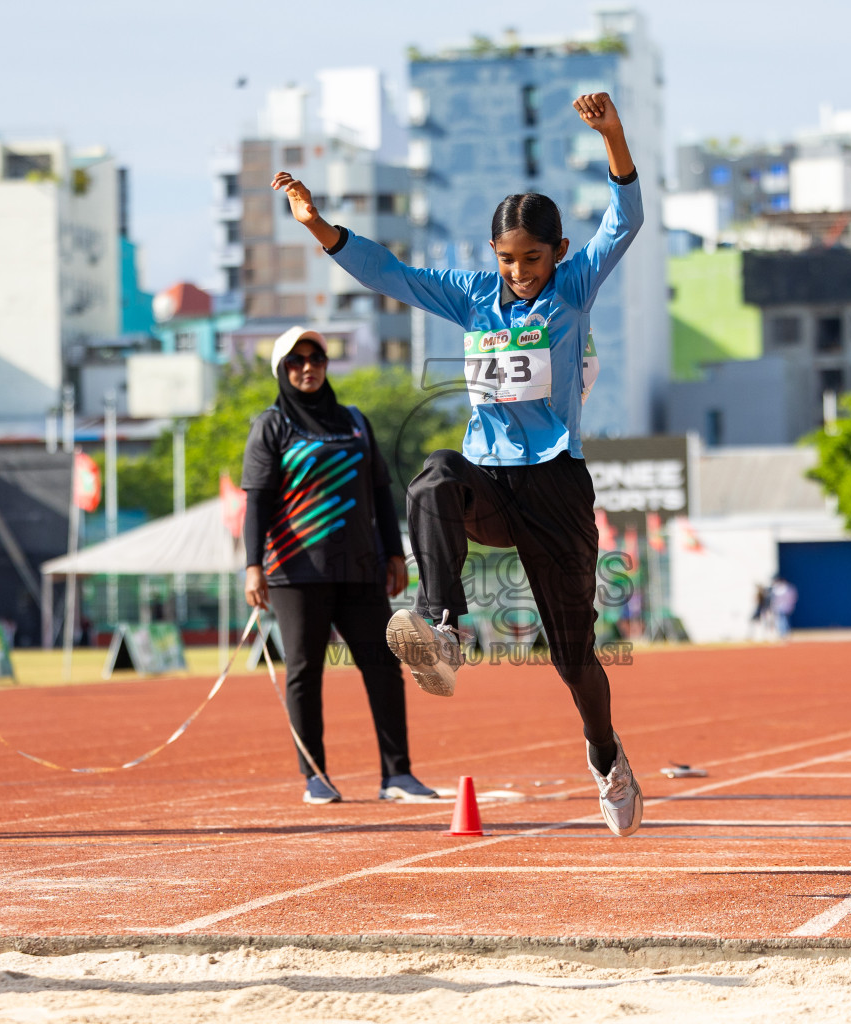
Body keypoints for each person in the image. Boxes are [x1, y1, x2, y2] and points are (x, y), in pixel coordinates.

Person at [271, 92, 645, 835]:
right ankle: (441, 624)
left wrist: (615, 137)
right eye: (508, 260)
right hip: (488, 482)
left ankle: (606, 756)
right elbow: (391, 273)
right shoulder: (475, 298)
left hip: (555, 486)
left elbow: (624, 221)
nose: (521, 273)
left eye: (533, 259)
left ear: (558, 253)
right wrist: (319, 226)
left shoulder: (574, 287)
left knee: (574, 659)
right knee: (436, 471)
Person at [241, 326, 436, 805]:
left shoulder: (354, 421)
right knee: (305, 672)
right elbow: (257, 503)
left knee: (383, 666)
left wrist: (395, 552)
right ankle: (315, 777)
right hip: (294, 570)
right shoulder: (271, 425)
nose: (308, 368)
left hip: (360, 568)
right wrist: (252, 566)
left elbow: (380, 493)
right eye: (296, 361)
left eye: (316, 359)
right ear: (282, 371)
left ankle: (398, 775)